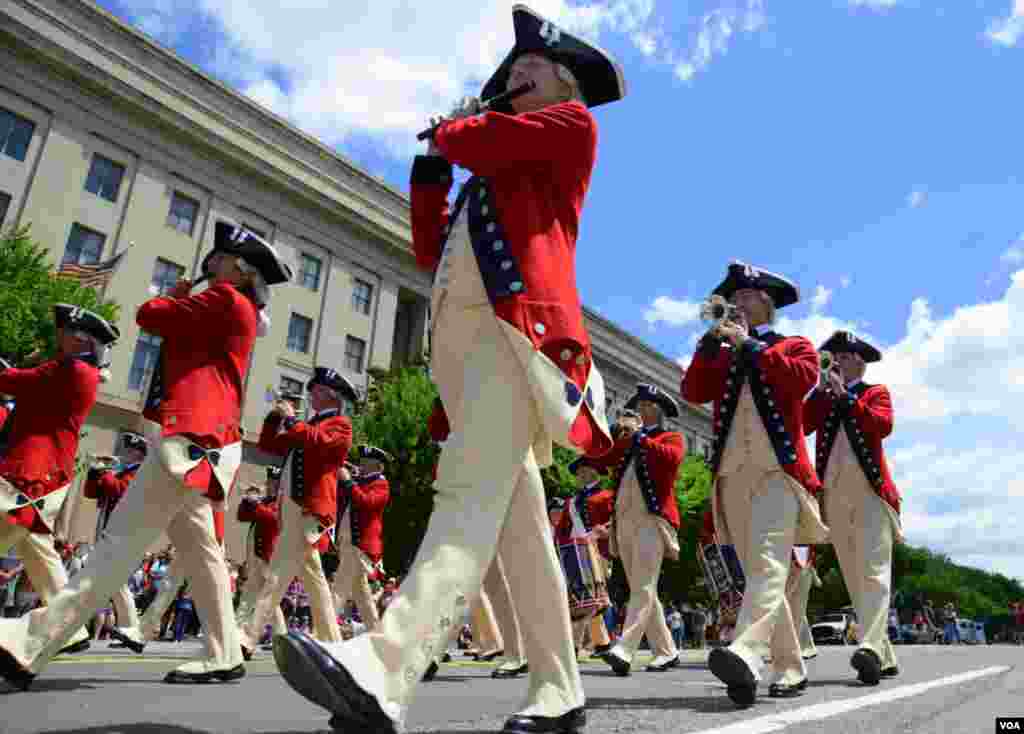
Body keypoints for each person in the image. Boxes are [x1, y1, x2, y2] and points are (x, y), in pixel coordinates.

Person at [271, 8, 625, 733]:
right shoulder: (491, 170)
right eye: (510, 73)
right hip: (463, 356)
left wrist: (455, 130)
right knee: (520, 533)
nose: (511, 79)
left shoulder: (567, 128)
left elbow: (485, 140)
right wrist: (432, 164)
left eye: (527, 71)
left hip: (513, 342)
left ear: (564, 82)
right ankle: (560, 691)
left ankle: (385, 667)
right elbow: (429, 246)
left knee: (464, 498)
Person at [0, 221, 292, 689]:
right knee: (203, 553)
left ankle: (30, 642)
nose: (208, 265)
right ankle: (223, 650)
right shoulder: (229, 307)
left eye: (216, 259)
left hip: (191, 440)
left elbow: (149, 315)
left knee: (116, 548)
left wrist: (175, 293)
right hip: (199, 441)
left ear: (237, 269)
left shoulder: (222, 300)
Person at [681, 261, 828, 705]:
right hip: (731, 472)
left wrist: (748, 345)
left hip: (777, 471)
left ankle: (745, 650)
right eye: (731, 300)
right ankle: (790, 668)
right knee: (761, 571)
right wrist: (711, 343)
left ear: (765, 302)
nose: (734, 306)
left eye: (743, 298)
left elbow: (802, 379)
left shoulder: (793, 345)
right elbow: (692, 390)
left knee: (767, 563)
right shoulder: (723, 353)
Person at [0, 305, 120, 658]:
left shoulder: (72, 369)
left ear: (80, 339)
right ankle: (70, 630)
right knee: (38, 551)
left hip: (31, 472)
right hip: (43, 471)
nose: (58, 337)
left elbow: (14, 382)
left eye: (63, 332)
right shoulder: (74, 369)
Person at [804, 330, 902, 685]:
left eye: (842, 357)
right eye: (832, 358)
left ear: (859, 361)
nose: (836, 364)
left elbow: (882, 426)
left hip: (870, 492)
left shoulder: (875, 392)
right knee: (855, 578)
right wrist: (819, 387)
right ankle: (884, 655)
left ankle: (871, 648)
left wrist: (844, 396)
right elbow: (803, 423)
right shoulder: (825, 396)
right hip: (833, 494)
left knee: (875, 571)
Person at [236, 367, 355, 658]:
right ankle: (334, 642)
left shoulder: (340, 424)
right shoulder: (307, 425)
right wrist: (276, 416)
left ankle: (247, 636)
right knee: (314, 581)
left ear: (330, 394)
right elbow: (268, 445)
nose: (309, 393)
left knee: (277, 573)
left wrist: (291, 418)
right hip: (290, 508)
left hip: (310, 510)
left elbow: (319, 442)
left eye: (314, 389)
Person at [592, 387, 684, 675]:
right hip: (625, 521)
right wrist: (613, 430)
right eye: (637, 407)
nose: (638, 412)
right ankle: (666, 652)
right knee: (643, 589)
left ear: (656, 410)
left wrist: (640, 437)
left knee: (643, 586)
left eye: (643, 406)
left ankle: (624, 648)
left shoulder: (669, 437)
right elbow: (600, 459)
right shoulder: (628, 443)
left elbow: (671, 459)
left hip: (651, 520)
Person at [83, 431, 148, 649]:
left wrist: (106, 471)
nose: (125, 454)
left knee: (110, 581)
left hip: (121, 533)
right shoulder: (120, 471)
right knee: (113, 582)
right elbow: (91, 493)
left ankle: (130, 629)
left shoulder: (139, 472)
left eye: (130, 450)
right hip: (104, 529)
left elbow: (120, 490)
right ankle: (131, 629)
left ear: (140, 454)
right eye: (125, 450)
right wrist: (94, 472)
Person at [331, 446, 391, 635]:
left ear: (379, 467)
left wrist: (349, 481)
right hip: (347, 543)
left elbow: (367, 503)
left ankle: (324, 631)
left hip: (360, 546)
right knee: (362, 594)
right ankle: (377, 633)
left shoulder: (381, 485)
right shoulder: (359, 482)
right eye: (361, 463)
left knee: (338, 589)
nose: (362, 467)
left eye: (367, 464)